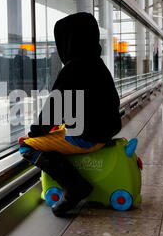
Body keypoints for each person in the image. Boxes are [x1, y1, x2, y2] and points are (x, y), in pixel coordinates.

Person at [18, 12, 122, 216]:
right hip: (105, 130)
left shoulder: (74, 69)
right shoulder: (98, 64)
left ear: (69, 41)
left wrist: (34, 134)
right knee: (58, 130)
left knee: (26, 147)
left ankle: (74, 186)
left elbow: (52, 110)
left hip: (88, 136)